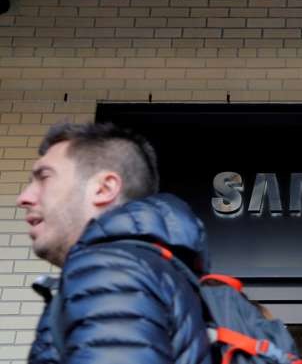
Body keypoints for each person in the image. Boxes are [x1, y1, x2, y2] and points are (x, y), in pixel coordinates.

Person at [16, 122, 212, 364]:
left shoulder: (110, 269)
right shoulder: (148, 269)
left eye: (44, 177)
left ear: (104, 188)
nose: (24, 198)